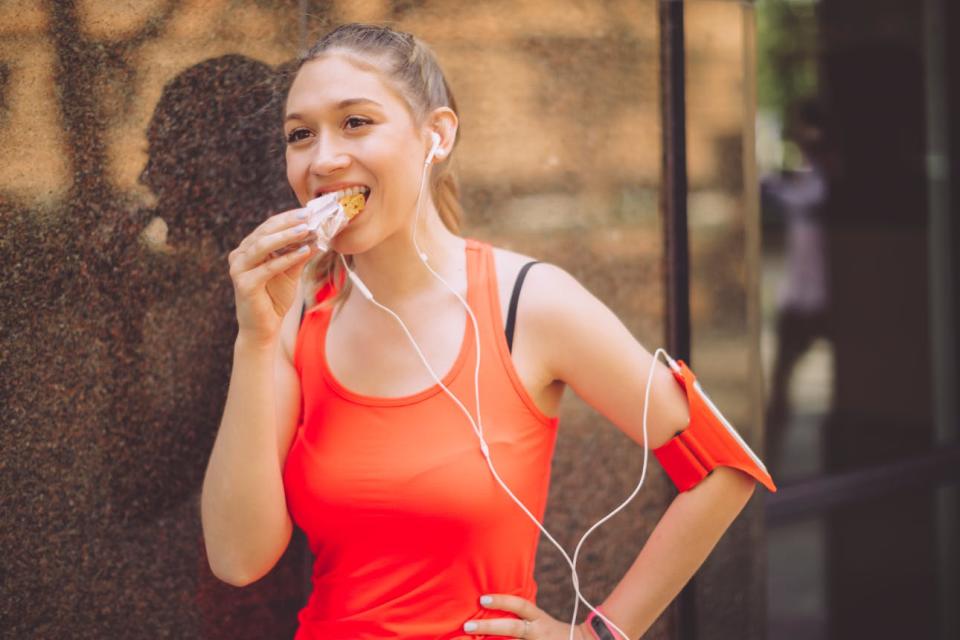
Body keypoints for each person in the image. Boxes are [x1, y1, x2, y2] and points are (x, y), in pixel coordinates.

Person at [201, 23, 764, 640]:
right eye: (300, 135)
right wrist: (253, 340)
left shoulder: (529, 302)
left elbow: (723, 469)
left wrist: (599, 634)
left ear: (435, 136)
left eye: (356, 122)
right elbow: (237, 559)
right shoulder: (296, 315)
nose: (324, 158)